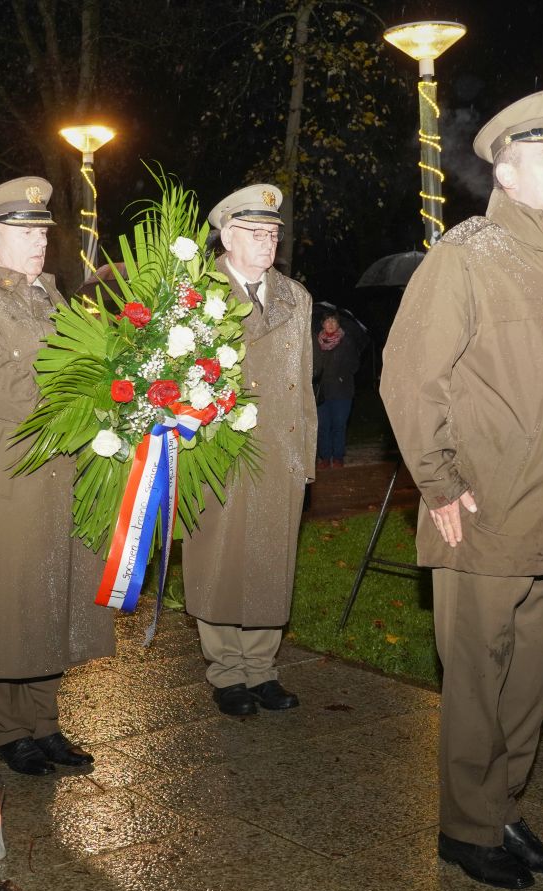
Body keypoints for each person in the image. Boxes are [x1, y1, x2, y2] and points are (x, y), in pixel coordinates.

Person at [380, 89, 543, 890]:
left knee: (531, 672)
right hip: (481, 504)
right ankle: (465, 828)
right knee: (478, 671)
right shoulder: (467, 255)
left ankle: (504, 810)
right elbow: (410, 376)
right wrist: (438, 481)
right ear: (505, 172)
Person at [0, 176, 114, 776]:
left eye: (43, 232)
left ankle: (45, 723)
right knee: (3, 594)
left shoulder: (48, 296)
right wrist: (85, 402)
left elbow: (88, 366)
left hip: (55, 462)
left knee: (47, 592)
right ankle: (11, 729)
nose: (40, 242)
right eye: (27, 232)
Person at [182, 184, 316, 718]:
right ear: (227, 235)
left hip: (279, 450)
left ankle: (262, 668)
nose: (267, 243)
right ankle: (227, 670)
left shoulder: (295, 296)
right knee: (218, 560)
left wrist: (304, 456)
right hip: (221, 452)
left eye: (273, 233)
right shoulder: (196, 292)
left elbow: (304, 381)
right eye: (256, 233)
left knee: (269, 561)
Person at [312, 310, 363, 469]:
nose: (331, 324)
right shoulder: (316, 342)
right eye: (327, 321)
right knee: (323, 426)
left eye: (334, 321)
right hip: (322, 392)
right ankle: (325, 457)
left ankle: (338, 457)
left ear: (338, 324)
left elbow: (355, 366)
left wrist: (342, 373)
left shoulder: (347, 341)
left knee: (339, 425)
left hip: (342, 391)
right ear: (322, 324)